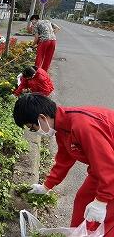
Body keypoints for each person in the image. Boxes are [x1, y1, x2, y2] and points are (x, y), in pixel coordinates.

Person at [13, 93, 114, 236]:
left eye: (33, 128)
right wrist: (46, 186)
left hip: (109, 168)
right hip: (102, 169)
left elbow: (109, 167)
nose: (35, 132)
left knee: (107, 219)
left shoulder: (82, 126)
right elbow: (64, 159)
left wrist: (102, 201)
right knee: (83, 201)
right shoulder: (62, 128)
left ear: (42, 118)